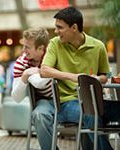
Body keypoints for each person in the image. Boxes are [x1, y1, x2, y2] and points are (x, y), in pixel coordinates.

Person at [40, 6, 120, 150]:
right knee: (90, 113)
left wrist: (96, 79)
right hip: (67, 103)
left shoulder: (98, 47)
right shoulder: (55, 44)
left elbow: (104, 76)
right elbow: (44, 70)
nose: (56, 31)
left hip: (95, 99)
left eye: (60, 27)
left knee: (100, 110)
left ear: (74, 27)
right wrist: (75, 77)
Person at [11, 28, 53, 146]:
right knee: (39, 115)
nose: (23, 50)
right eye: (23, 46)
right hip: (45, 101)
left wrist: (38, 71)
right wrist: (25, 76)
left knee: (89, 115)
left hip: (65, 98)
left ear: (40, 48)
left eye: (27, 47)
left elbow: (40, 83)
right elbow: (16, 97)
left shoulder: (52, 54)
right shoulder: (21, 63)